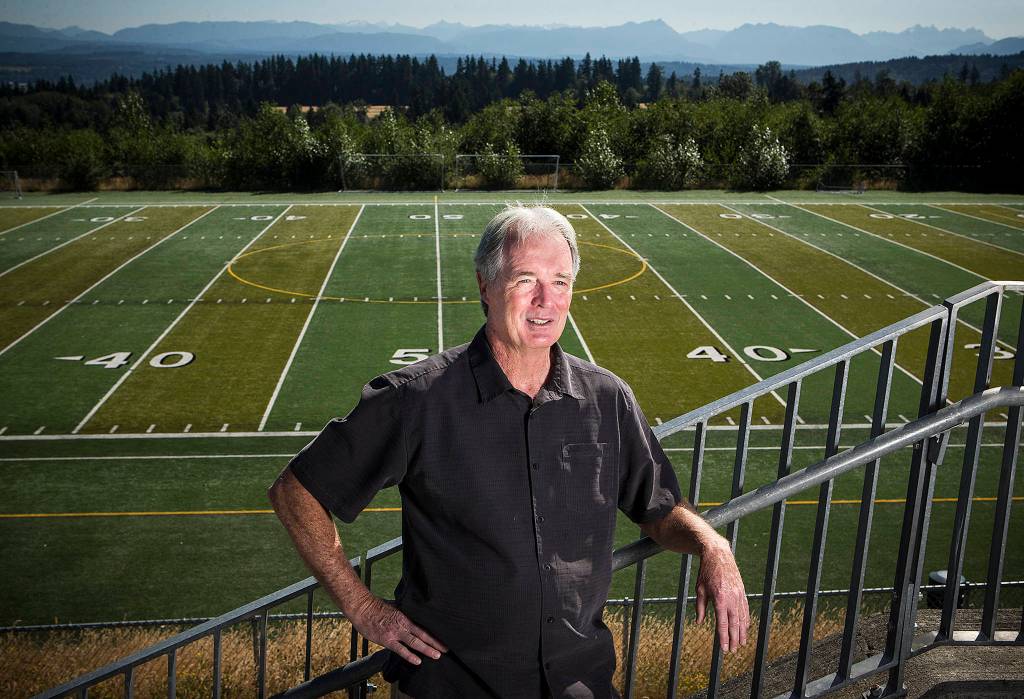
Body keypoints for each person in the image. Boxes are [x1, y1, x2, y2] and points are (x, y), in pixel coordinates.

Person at [268, 205, 748, 698]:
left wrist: (714, 546)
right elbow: (295, 491)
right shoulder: (418, 399)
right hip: (454, 684)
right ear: (485, 285)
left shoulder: (607, 398)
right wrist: (362, 607)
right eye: (526, 280)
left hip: (576, 679)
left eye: (560, 281)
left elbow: (660, 510)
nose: (546, 300)